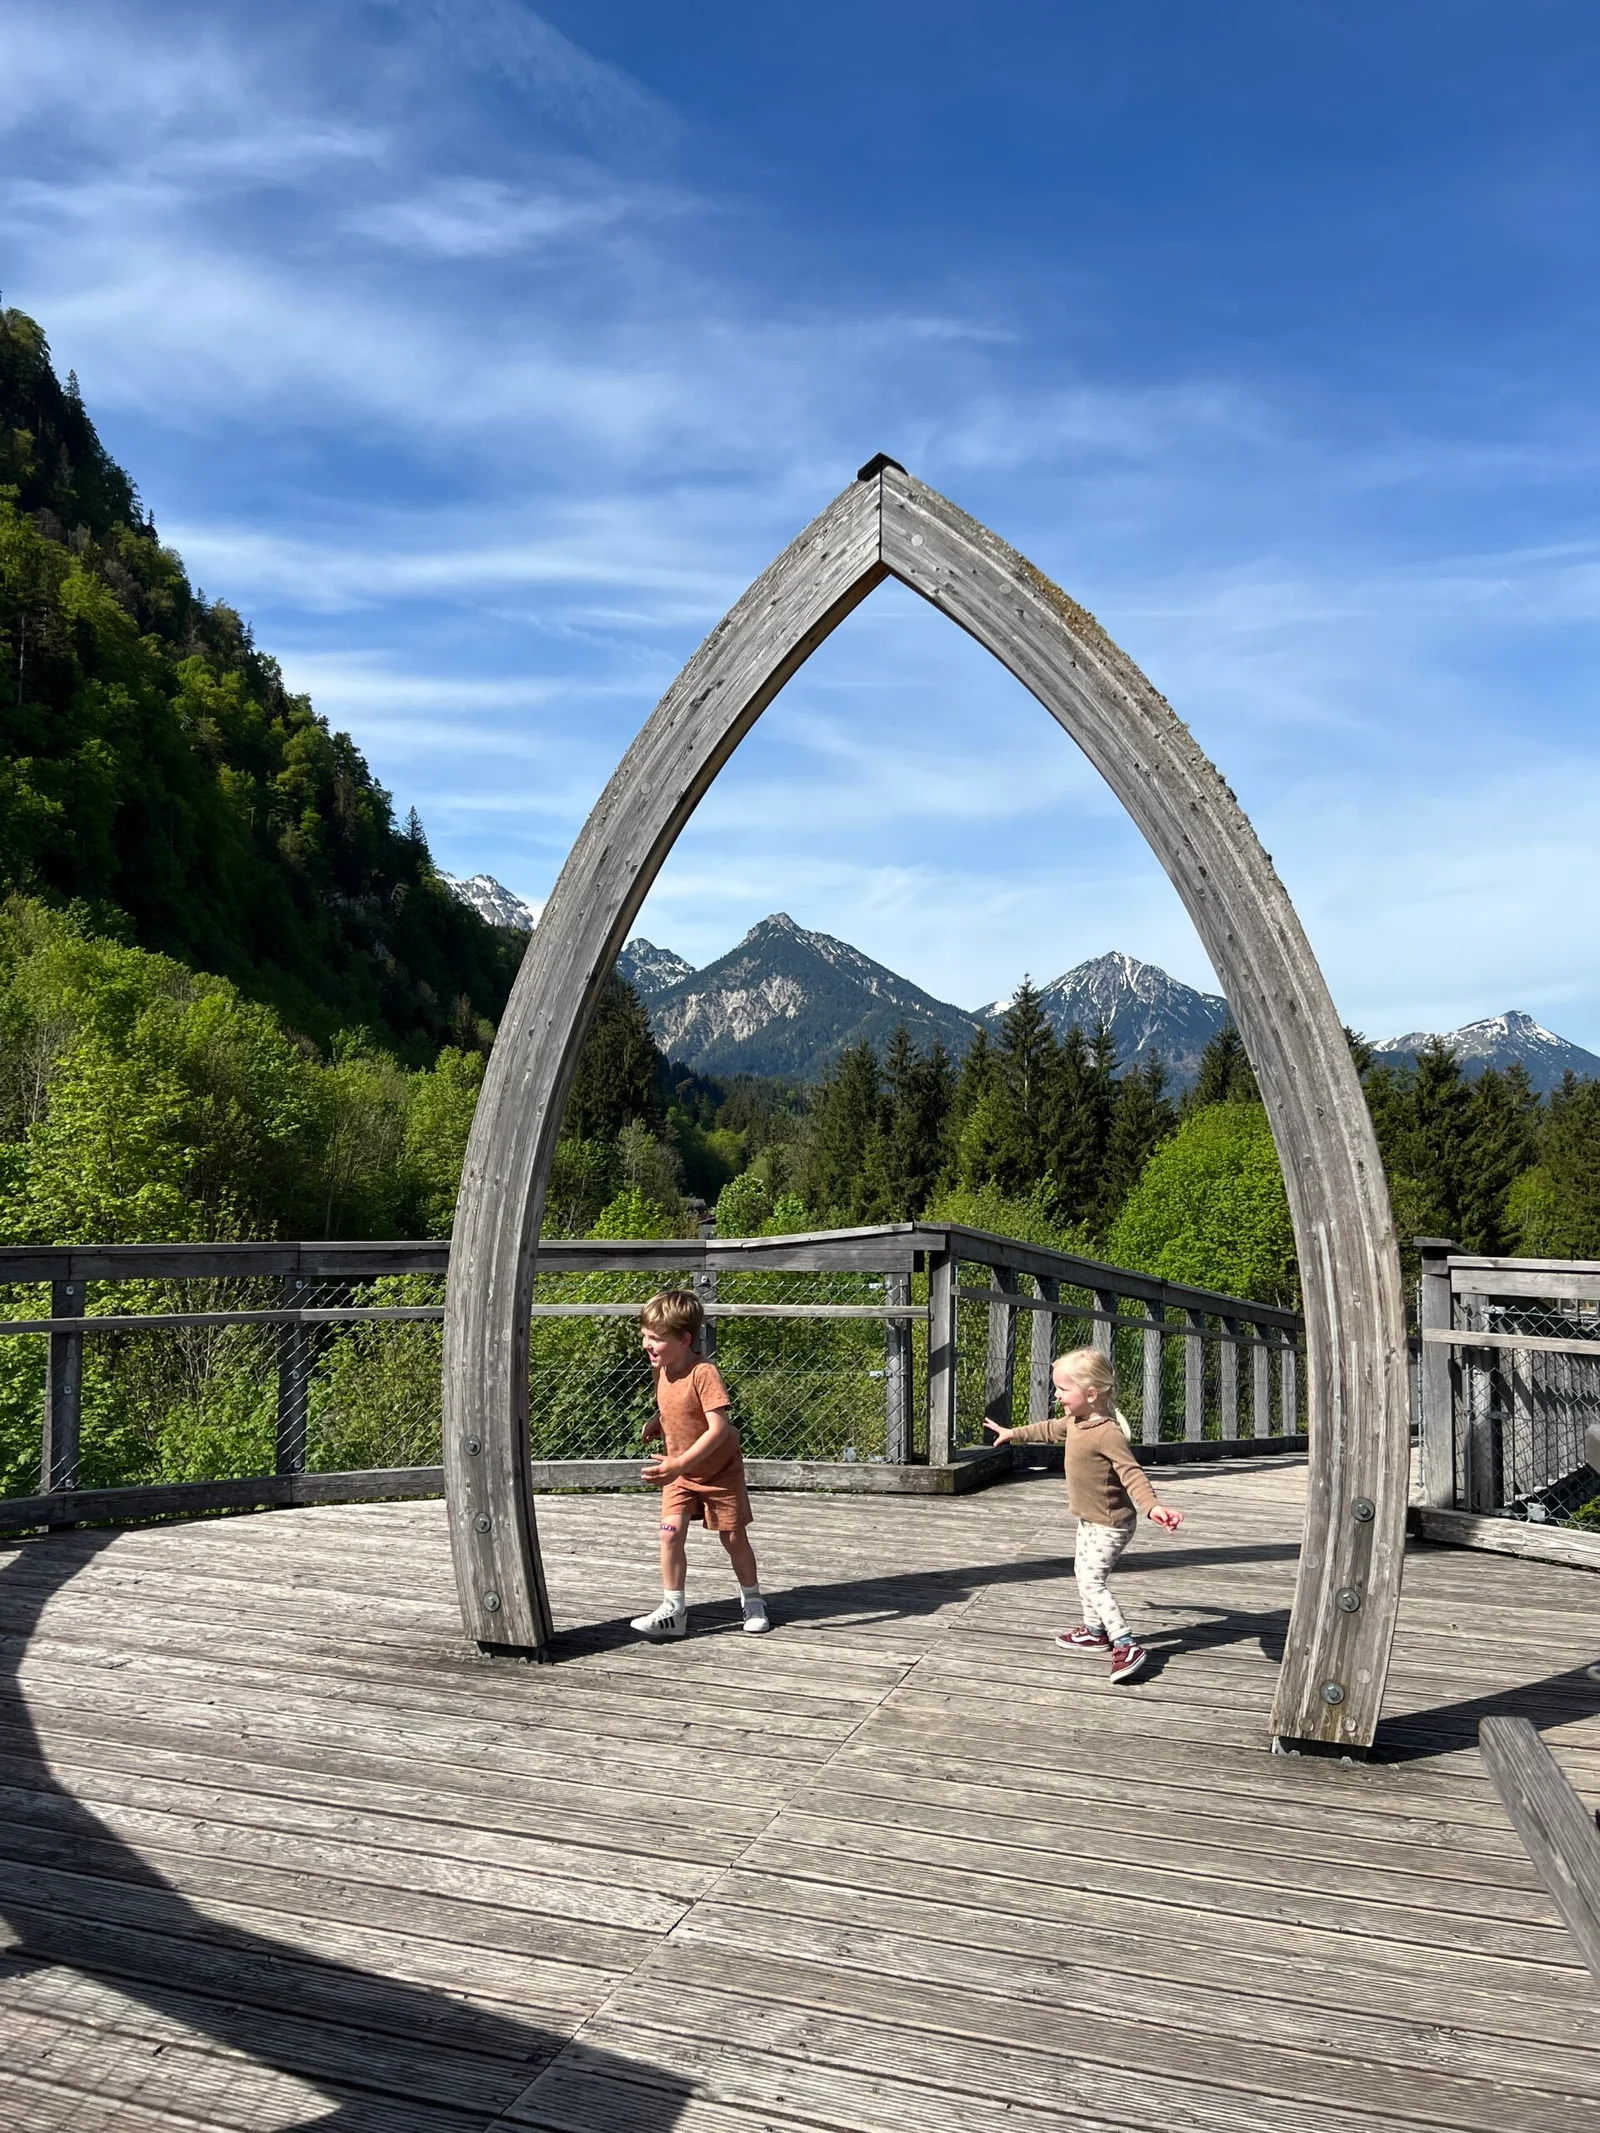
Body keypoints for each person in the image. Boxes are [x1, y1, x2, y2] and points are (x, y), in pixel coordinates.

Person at [984, 1346, 1182, 1684]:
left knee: (1093, 1580)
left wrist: (1152, 1507)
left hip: (1112, 1522)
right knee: (1082, 1572)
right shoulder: (1076, 1421)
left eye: (1063, 1389)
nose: (1057, 1395)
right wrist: (1012, 1433)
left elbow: (1131, 1472)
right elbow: (1048, 1430)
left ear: (1091, 1393)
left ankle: (1125, 1643)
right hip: (1089, 1518)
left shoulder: (1107, 1433)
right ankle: (1094, 1631)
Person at [629, 1289, 769, 1639]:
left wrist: (678, 1464)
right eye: (645, 1336)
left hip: (718, 1472)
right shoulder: (660, 1368)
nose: (648, 1344)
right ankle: (673, 1611)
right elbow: (673, 1406)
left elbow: (718, 1427)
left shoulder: (703, 1372)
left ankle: (752, 1599)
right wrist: (656, 1421)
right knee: (670, 1535)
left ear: (684, 1339)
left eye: (657, 1338)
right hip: (679, 1473)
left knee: (734, 1538)